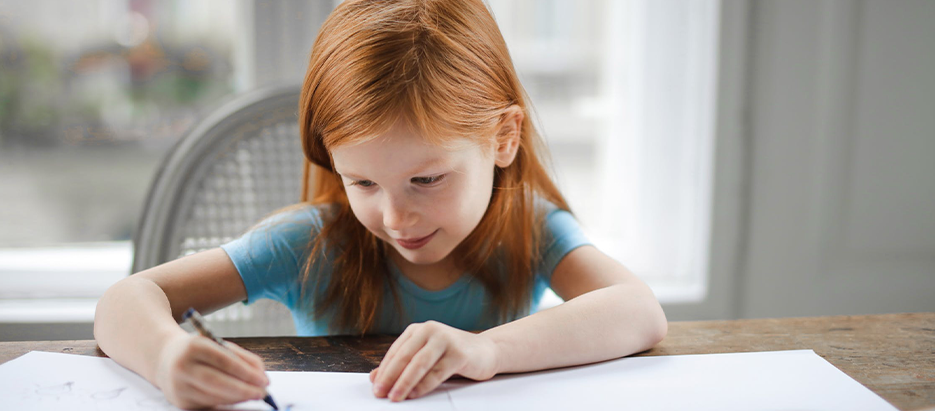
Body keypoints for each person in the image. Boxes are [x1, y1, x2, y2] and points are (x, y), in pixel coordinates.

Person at [94, 0, 668, 408]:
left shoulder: (531, 227)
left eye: (426, 179)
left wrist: (485, 351)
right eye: (363, 183)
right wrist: (167, 357)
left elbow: (639, 312)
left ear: (503, 138)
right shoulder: (307, 244)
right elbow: (125, 301)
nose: (394, 219)